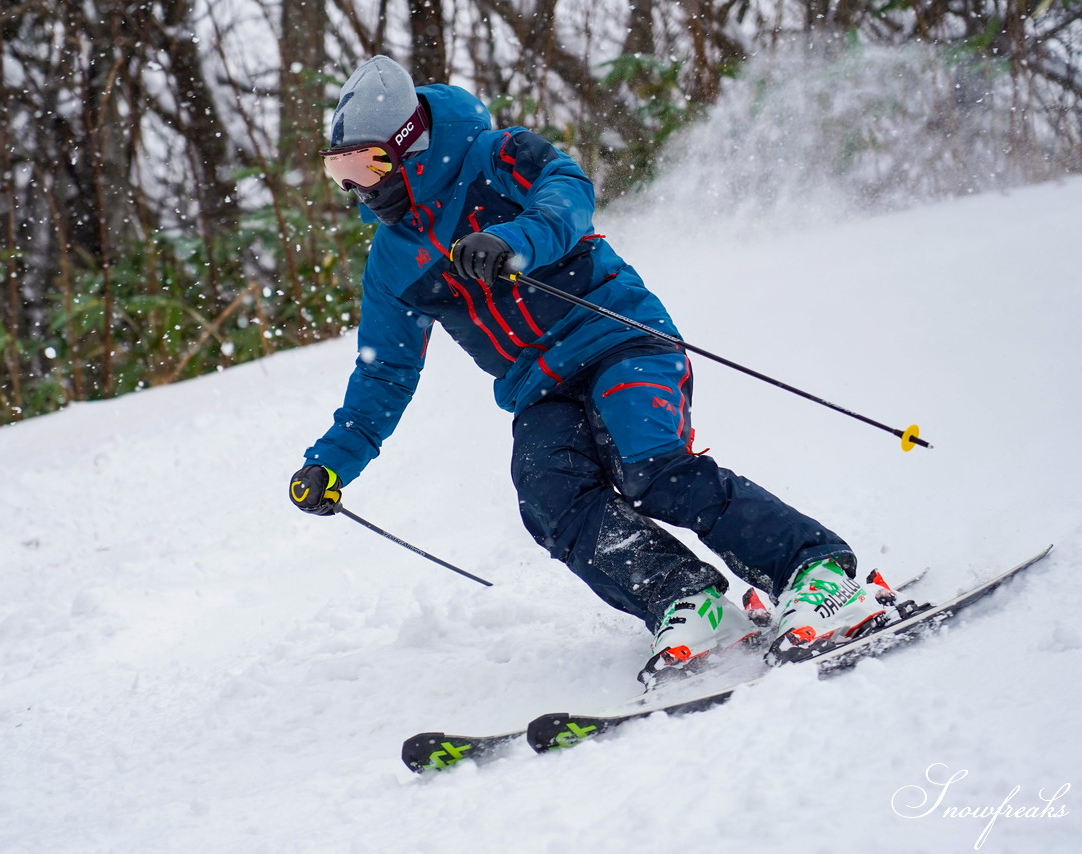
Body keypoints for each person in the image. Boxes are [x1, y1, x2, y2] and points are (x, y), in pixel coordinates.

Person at [289, 55, 895, 685]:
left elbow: (569, 191)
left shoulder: (498, 156)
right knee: (548, 494)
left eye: (364, 165)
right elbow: (384, 373)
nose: (354, 186)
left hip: (619, 338)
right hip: (539, 385)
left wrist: (517, 240)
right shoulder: (393, 261)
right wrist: (333, 461)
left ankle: (815, 571)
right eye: (340, 169)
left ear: (409, 146)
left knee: (651, 467)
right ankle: (686, 599)